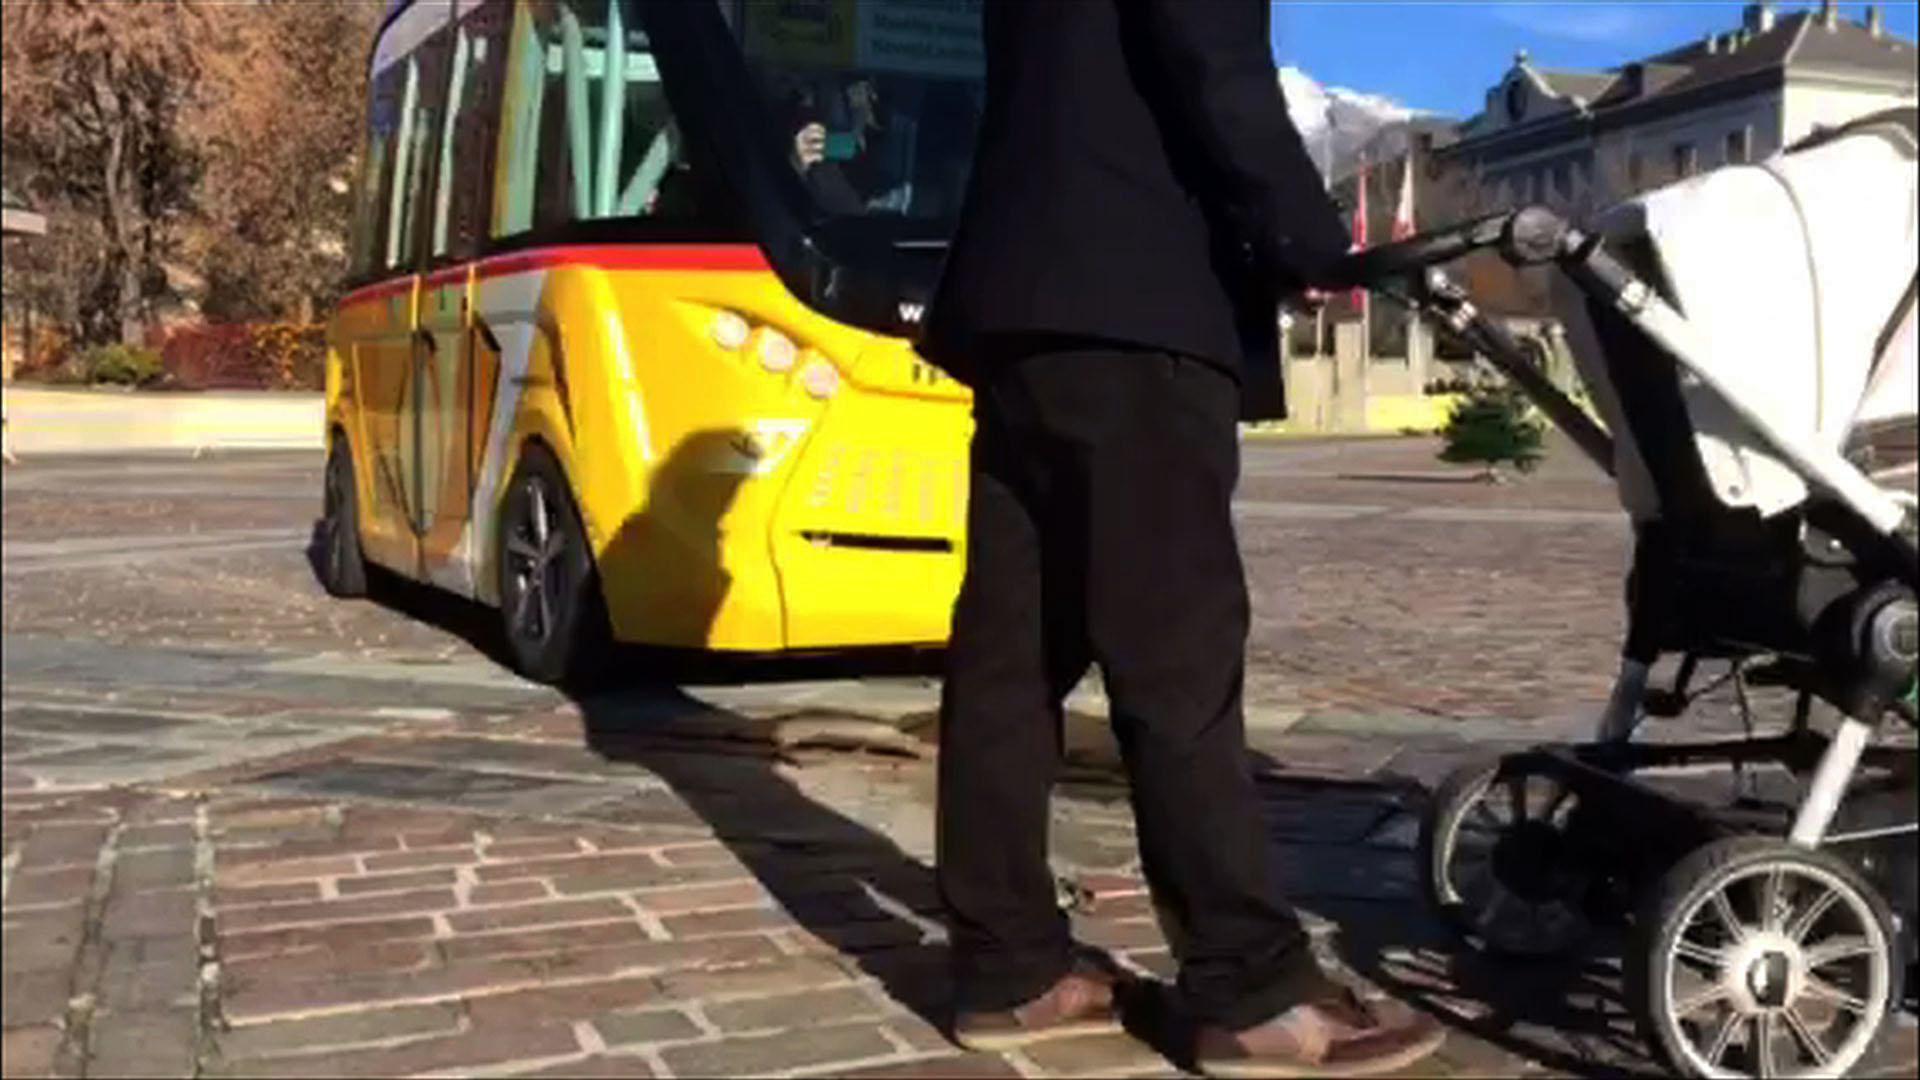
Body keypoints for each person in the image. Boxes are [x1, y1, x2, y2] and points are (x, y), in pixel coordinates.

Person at [919, 2, 1445, 1075]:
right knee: (1179, 661)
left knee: (1010, 664)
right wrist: (1314, 243)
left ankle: (1009, 966)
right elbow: (1212, 64)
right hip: (1140, 312)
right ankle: (1248, 988)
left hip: (1020, 311)